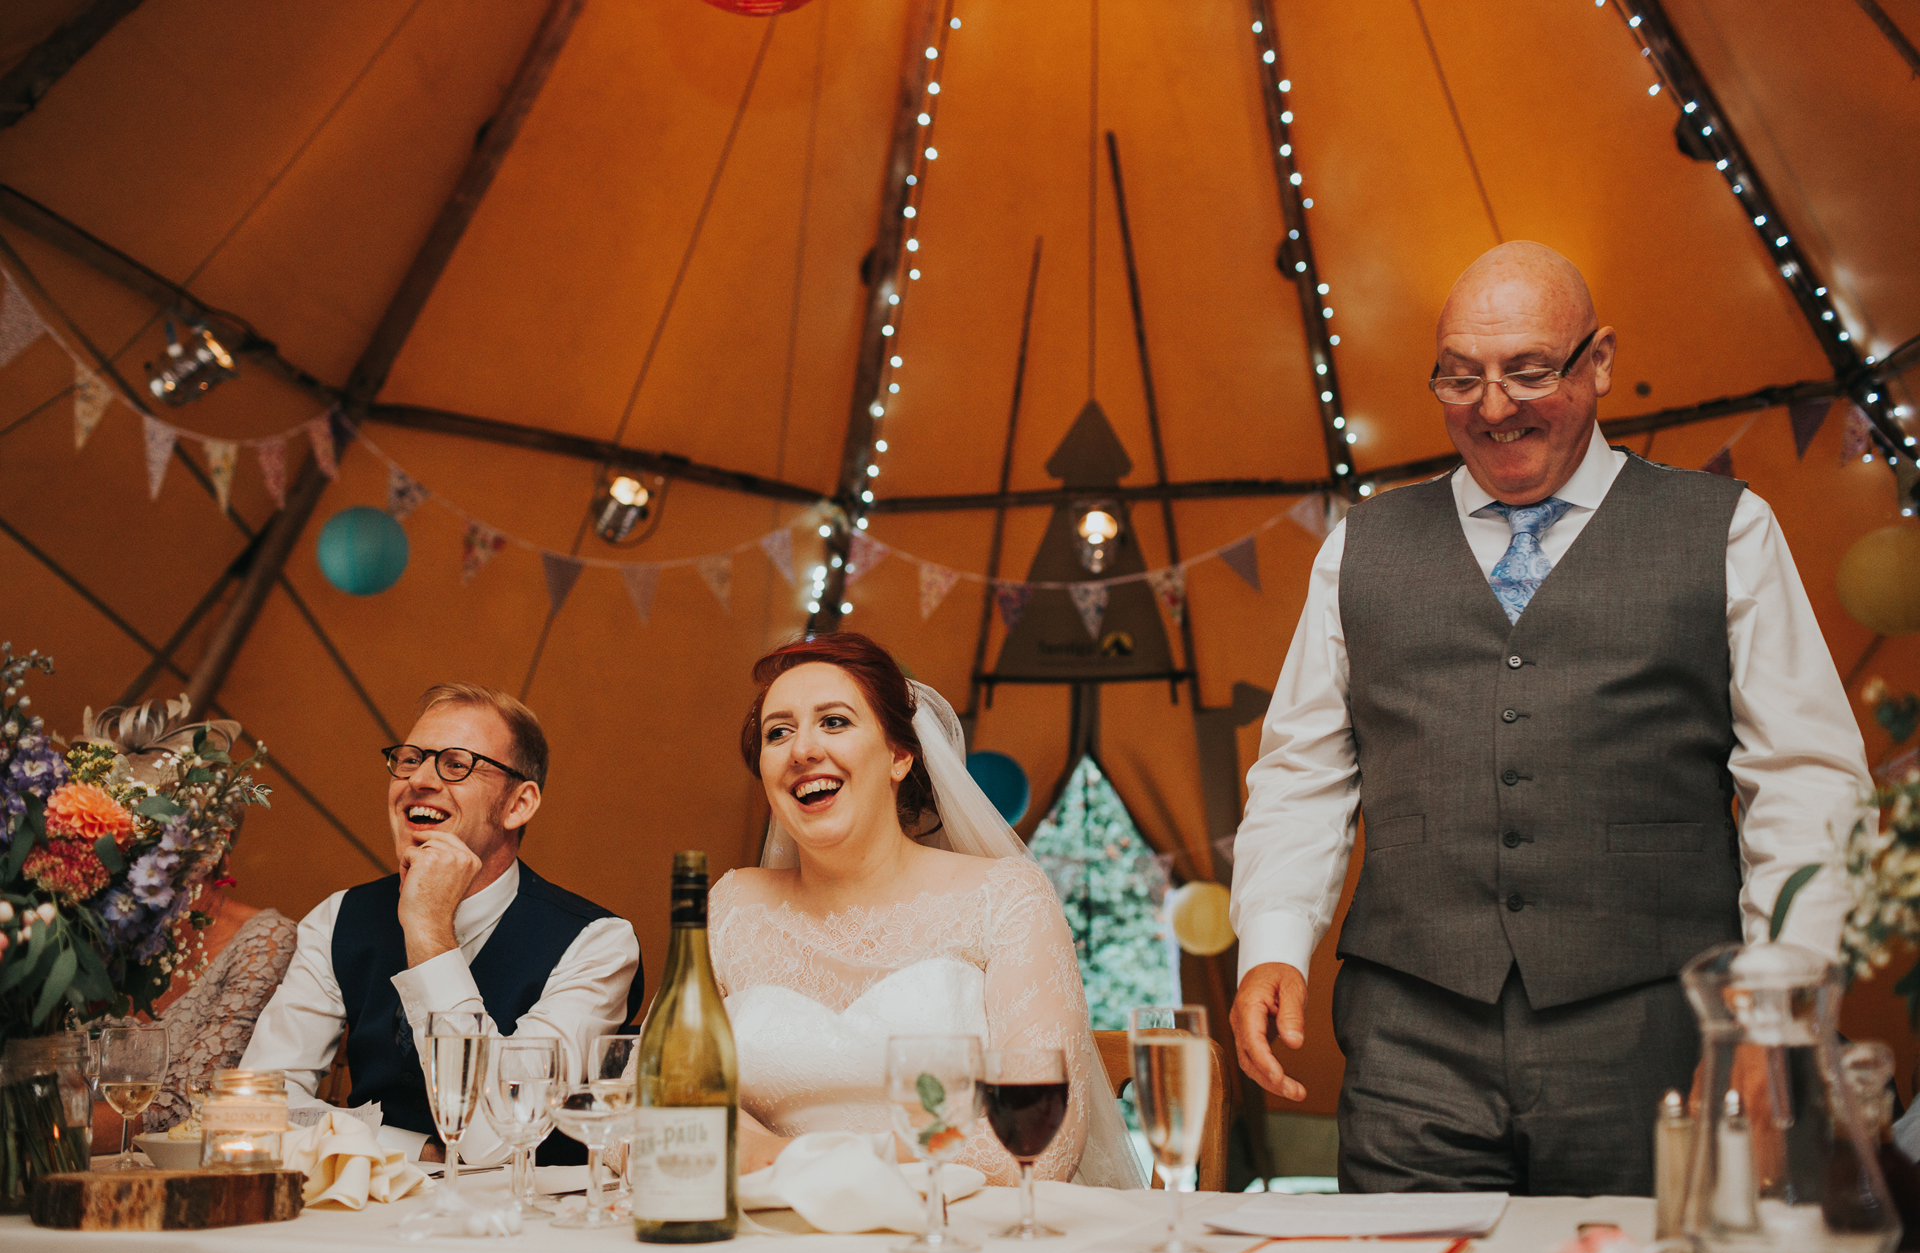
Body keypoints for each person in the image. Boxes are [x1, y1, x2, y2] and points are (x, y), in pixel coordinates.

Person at [1228, 241, 1871, 1196]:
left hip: (1652, 1037)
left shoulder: (1727, 528)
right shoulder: (1360, 546)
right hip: (1410, 1047)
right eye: (1462, 377)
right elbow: (1302, 772)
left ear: (1599, 361)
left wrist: (1777, 1001)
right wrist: (1273, 941)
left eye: (1530, 371)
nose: (1493, 408)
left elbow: (1806, 778)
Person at [709, 631, 1144, 1188]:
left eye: (835, 722)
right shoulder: (729, 907)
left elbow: (1041, 1139)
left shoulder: (1006, 899)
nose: (802, 750)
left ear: (899, 755)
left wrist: (797, 1162)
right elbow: (644, 1107)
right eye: (779, 732)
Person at [240, 683, 642, 1163]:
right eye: (409, 759)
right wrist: (409, 1149)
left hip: (518, 1224)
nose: (418, 780)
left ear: (519, 804)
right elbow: (257, 1106)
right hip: (358, 1217)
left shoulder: (597, 943)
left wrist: (428, 928)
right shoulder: (337, 918)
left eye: (456, 764)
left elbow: (499, 1136)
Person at [72, 701, 296, 1149]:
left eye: (144, 838)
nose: (119, 857)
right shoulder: (89, 930)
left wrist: (42, 1132)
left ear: (212, 849)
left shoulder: (263, 940)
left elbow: (185, 1108)